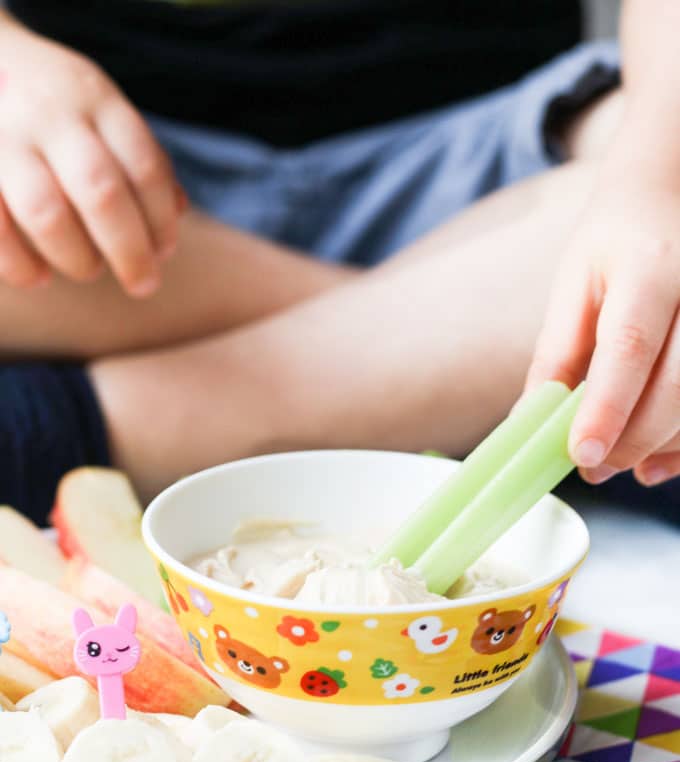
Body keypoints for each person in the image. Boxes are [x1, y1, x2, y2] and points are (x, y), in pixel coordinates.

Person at [0, 2, 677, 525]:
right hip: (104, 181)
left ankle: (111, 430)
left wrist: (657, 176)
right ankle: (472, 378)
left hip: (494, 154)